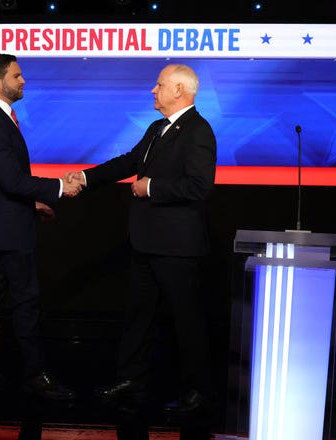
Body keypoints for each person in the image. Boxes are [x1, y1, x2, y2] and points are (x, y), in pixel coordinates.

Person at [66, 64, 217, 417]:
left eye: (160, 84)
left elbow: (199, 187)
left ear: (179, 90)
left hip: (177, 247)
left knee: (186, 321)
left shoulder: (199, 131)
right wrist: (86, 178)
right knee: (138, 317)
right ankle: (131, 380)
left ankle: (199, 392)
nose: (153, 90)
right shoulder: (156, 128)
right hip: (146, 242)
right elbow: (130, 162)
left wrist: (151, 187)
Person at [0, 53, 81, 402]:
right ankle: (35, 375)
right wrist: (56, 188)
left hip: (2, 223)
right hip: (6, 230)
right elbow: (10, 179)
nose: (23, 81)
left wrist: (32, 204)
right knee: (27, 299)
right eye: (17, 75)